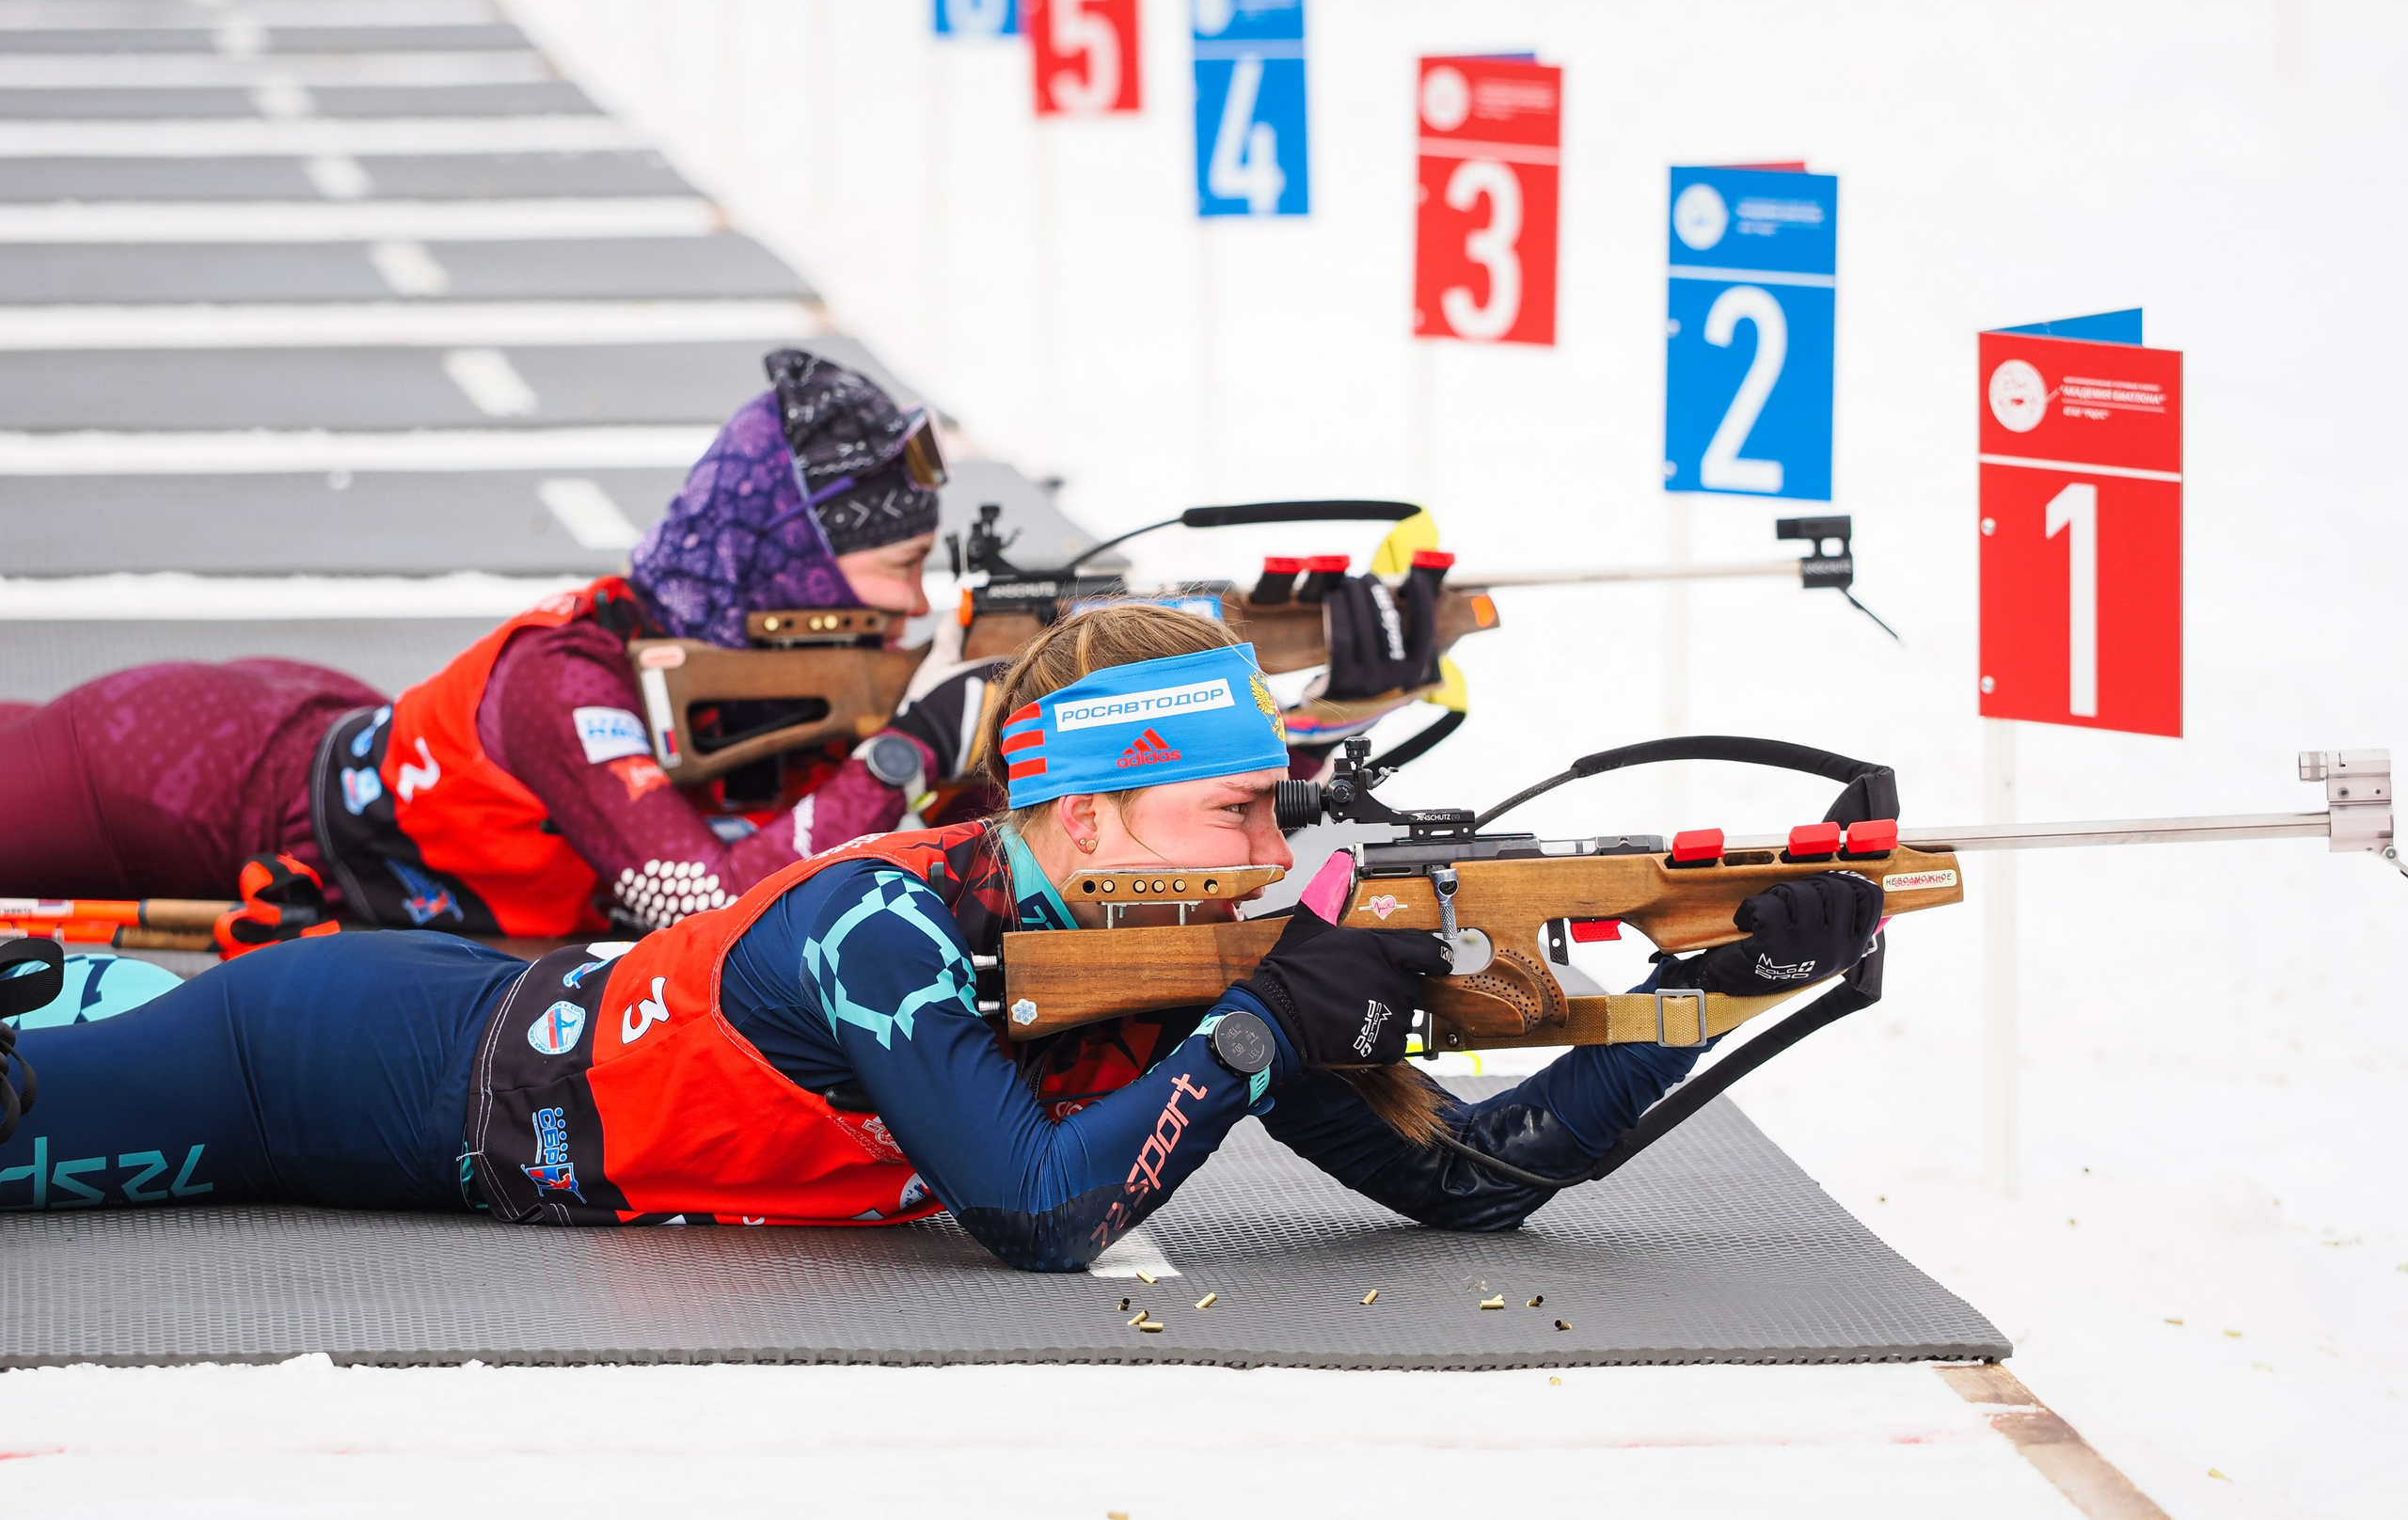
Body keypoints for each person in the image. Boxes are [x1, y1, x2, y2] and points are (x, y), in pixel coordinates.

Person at [0, 605, 1883, 1270]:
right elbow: (1038, 1208)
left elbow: (1466, 1185)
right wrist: (1255, 1034)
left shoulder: (1171, 954)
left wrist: (1703, 985)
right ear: (1075, 824)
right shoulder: (887, 926)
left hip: (502, 1021)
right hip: (356, 1062)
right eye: (1230, 811)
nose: (1269, 844)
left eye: (1274, 811)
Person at [0, 349, 987, 936]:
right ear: (795, 567)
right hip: (195, 776)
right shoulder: (566, 682)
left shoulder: (770, 676)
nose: (914, 609)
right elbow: (700, 907)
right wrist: (911, 749)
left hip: (321, 729)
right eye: (898, 568)